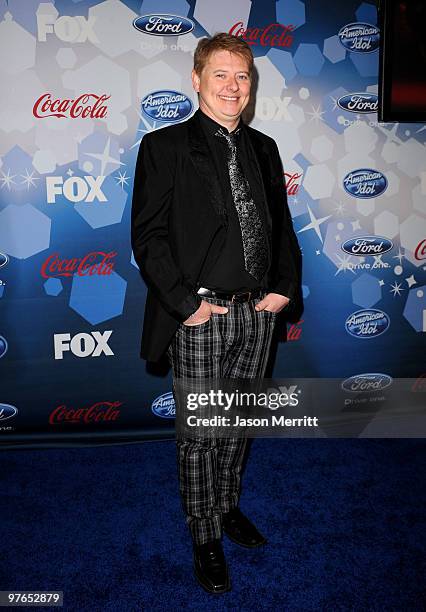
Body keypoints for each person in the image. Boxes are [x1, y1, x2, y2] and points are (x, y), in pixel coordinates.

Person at [131, 33, 302, 594]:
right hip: (201, 312)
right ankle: (203, 533)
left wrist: (283, 289)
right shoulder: (164, 147)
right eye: (222, 75)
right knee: (202, 432)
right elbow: (149, 239)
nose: (234, 87)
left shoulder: (266, 148)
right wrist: (188, 307)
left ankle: (227, 506)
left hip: (259, 312)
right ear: (197, 80)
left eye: (243, 77)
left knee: (236, 425)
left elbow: (282, 230)